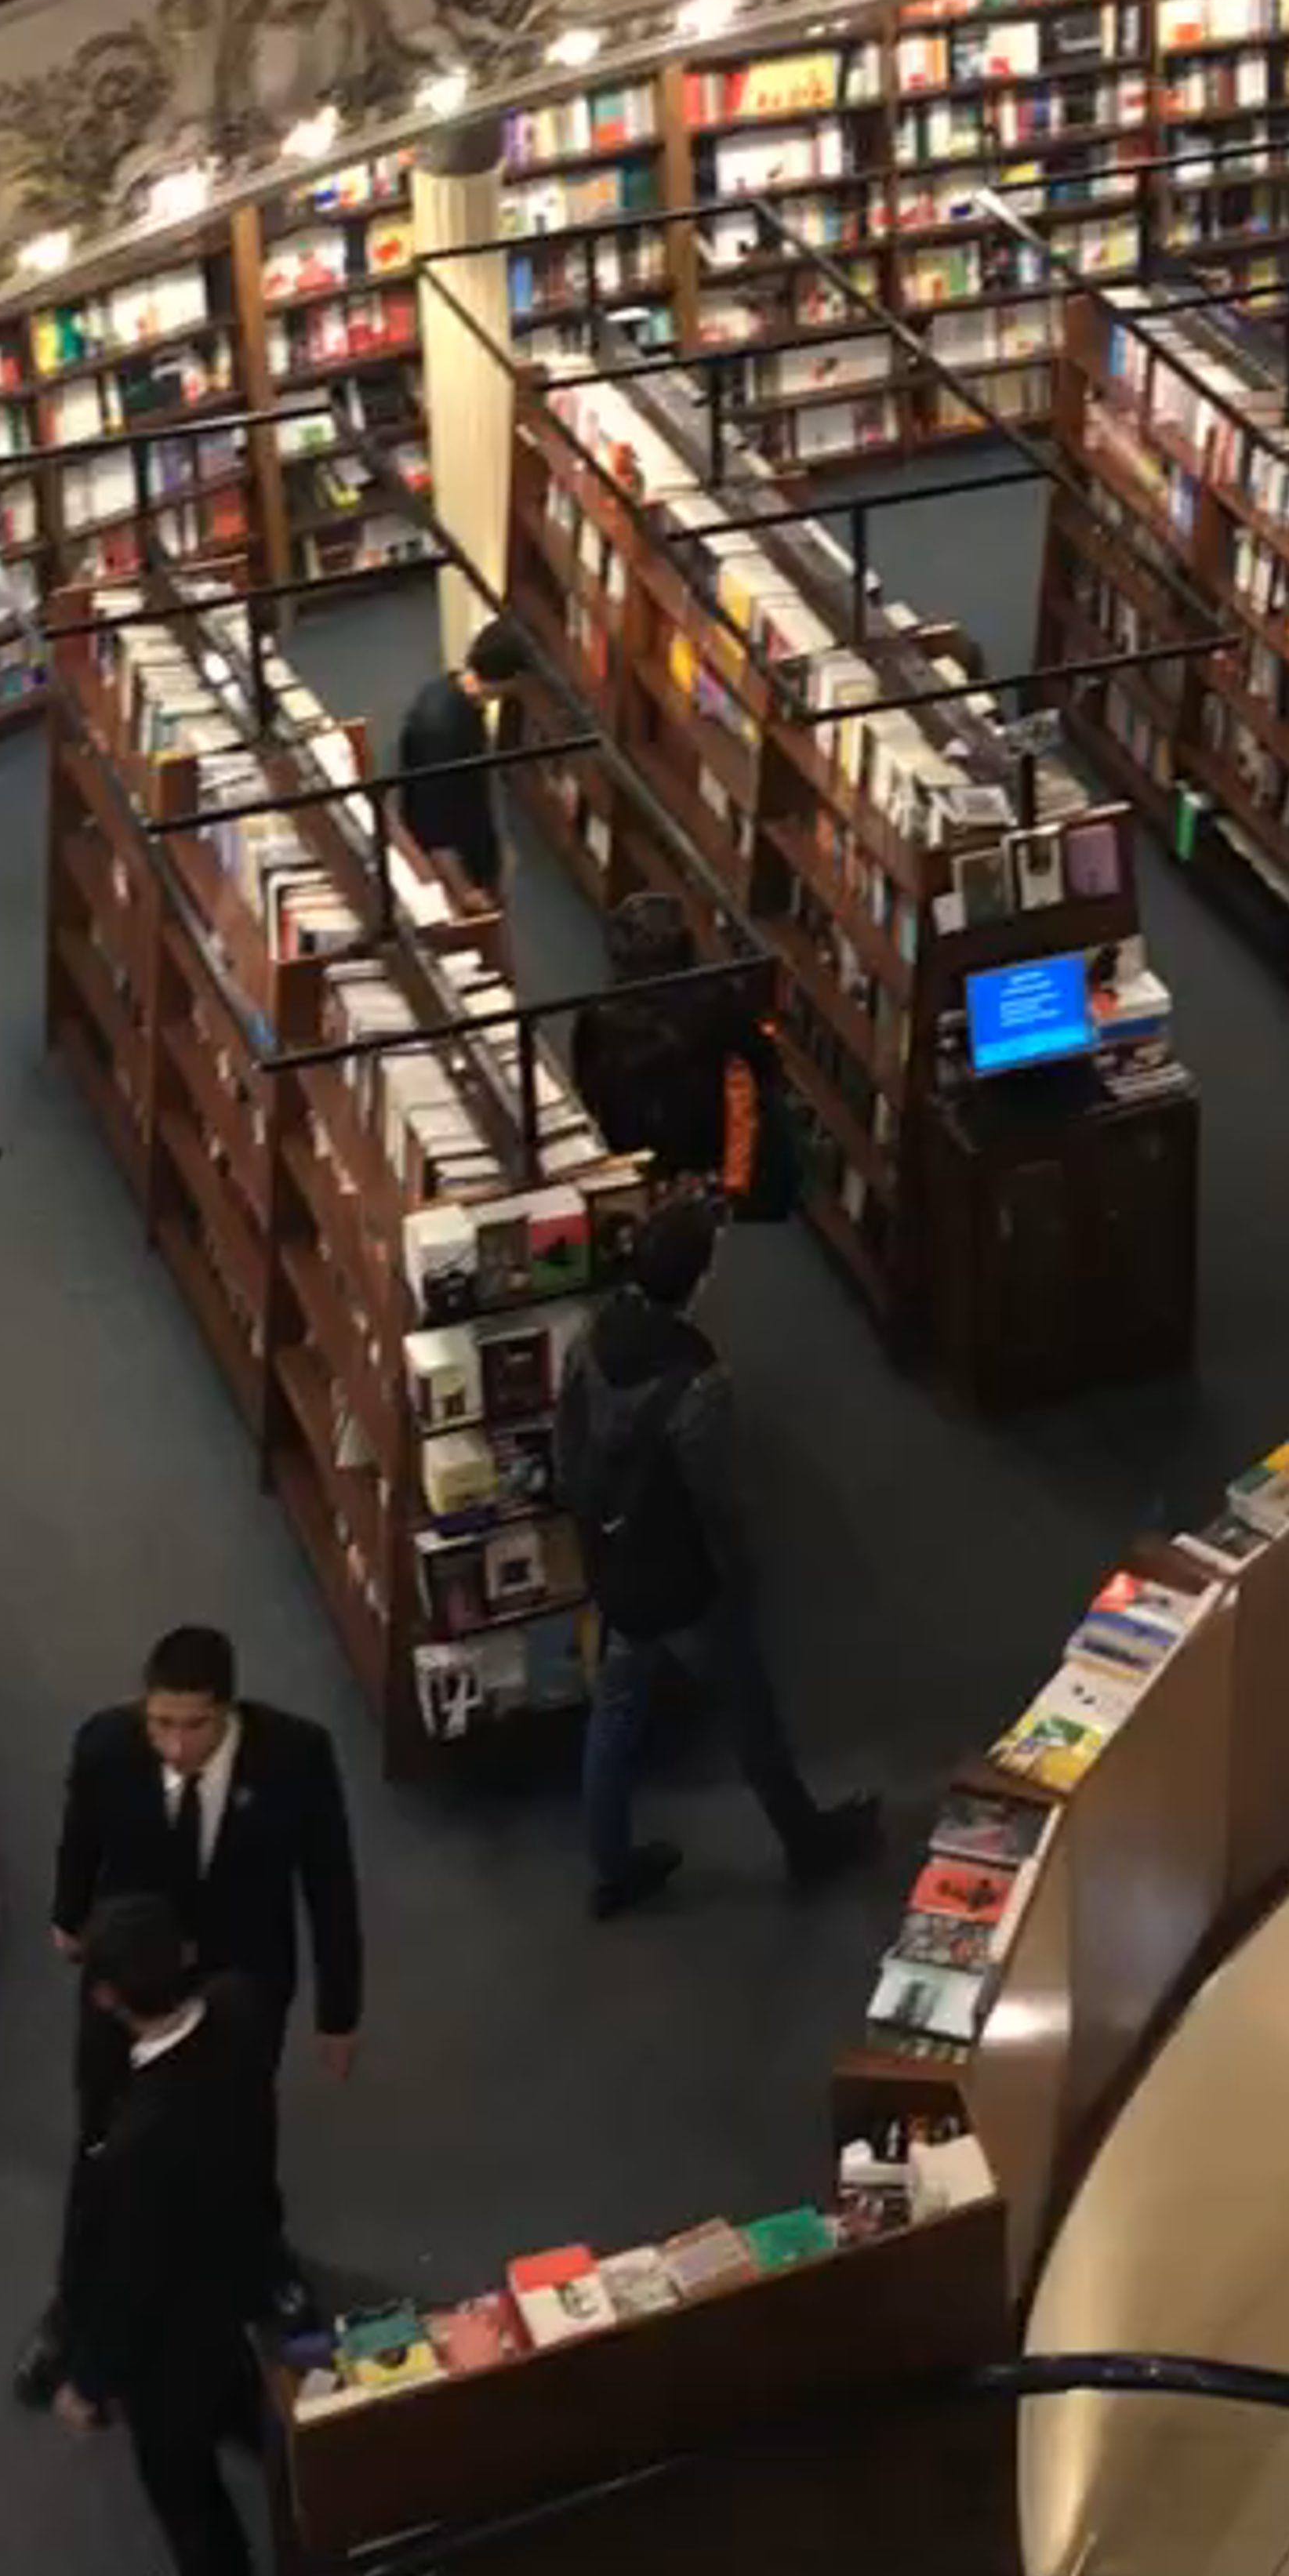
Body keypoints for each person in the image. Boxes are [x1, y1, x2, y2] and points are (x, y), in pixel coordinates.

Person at [17, 1625, 360, 2403]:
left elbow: (329, 1884)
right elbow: (83, 1833)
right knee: (102, 2142)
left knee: (242, 2128)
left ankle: (264, 2266)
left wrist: (339, 2010)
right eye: (160, 1723)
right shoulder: (107, 1745)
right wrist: (70, 1913)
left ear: (228, 1710)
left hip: (241, 1977)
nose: (173, 1744)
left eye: (193, 1724)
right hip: (129, 1974)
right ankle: (75, 2307)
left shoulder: (296, 1756)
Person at [554, 1193, 876, 1919]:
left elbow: (566, 1443)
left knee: (615, 1709)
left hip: (614, 1559)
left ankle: (611, 1865)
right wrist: (738, 1573)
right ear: (698, 1280)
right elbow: (716, 1498)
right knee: (748, 1708)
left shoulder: (589, 1337)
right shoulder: (699, 1382)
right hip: (685, 1579)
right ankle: (806, 1841)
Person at [52, 1900, 281, 2576]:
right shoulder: (240, 2008)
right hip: (242, 2270)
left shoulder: (135, 2143)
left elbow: (130, 2279)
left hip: (172, 2344)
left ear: (108, 1997)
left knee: (186, 2494)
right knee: (261, 2413)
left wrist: (89, 2380)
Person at [570, 887, 761, 1194]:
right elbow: (752, 1077)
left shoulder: (600, 1014)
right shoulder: (718, 998)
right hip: (691, 1147)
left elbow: (584, 1089)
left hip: (635, 1144)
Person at [393, 610, 537, 905]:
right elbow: (435, 826)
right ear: (517, 678)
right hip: (458, 873)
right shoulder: (443, 733)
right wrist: (466, 893)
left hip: (471, 841)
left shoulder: (448, 691)